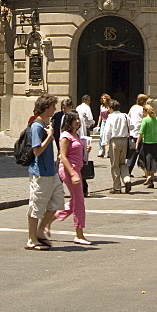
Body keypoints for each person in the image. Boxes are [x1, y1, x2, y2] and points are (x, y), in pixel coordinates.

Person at [27, 93, 64, 251]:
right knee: (37, 206)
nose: (55, 109)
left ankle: (40, 231)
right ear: (45, 108)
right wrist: (49, 137)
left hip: (52, 171)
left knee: (58, 201)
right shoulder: (36, 126)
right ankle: (31, 238)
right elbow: (36, 151)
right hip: (40, 172)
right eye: (52, 106)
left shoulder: (46, 123)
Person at [55, 109, 91, 245]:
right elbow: (62, 157)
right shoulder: (65, 136)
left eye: (78, 119)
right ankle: (79, 234)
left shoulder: (75, 134)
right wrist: (72, 174)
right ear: (68, 121)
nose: (77, 121)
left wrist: (85, 150)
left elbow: (75, 151)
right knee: (79, 201)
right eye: (74, 119)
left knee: (76, 200)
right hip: (69, 169)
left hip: (77, 169)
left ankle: (51, 217)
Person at [103, 100, 132, 193]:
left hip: (115, 140)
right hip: (125, 140)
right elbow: (132, 126)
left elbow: (107, 131)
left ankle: (117, 187)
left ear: (111, 108)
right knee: (123, 163)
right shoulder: (125, 115)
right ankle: (127, 179)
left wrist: (104, 143)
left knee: (115, 164)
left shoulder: (111, 117)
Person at [137, 102, 157, 188]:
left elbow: (141, 132)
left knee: (141, 160)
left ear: (145, 111)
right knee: (152, 161)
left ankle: (147, 175)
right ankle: (151, 181)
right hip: (155, 142)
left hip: (146, 143)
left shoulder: (145, 120)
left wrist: (137, 142)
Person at [127, 93, 148, 177]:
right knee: (140, 153)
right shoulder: (142, 109)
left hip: (132, 132)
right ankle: (147, 172)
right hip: (140, 133)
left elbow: (128, 117)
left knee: (133, 152)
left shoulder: (133, 107)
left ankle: (128, 171)